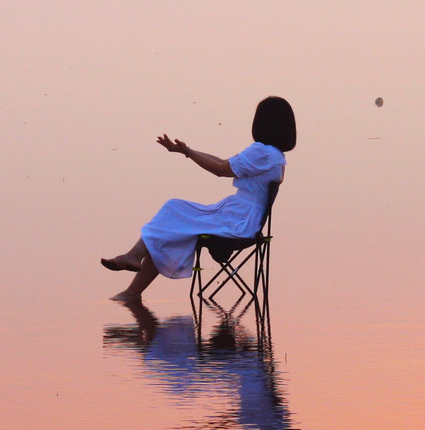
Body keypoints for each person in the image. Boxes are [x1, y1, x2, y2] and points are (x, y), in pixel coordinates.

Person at [101, 95, 295, 303]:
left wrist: (188, 153)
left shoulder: (261, 152)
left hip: (238, 221)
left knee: (174, 211)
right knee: (173, 220)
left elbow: (220, 169)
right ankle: (133, 282)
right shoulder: (275, 156)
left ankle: (133, 272)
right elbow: (224, 162)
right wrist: (187, 151)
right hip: (245, 219)